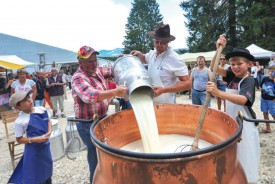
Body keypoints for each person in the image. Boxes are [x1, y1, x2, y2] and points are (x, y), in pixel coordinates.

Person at [207, 35, 260, 183]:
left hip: (245, 123)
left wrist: (218, 93)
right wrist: (218, 49)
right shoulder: (232, 76)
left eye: (239, 64)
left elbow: (243, 99)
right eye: (233, 63)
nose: (236, 67)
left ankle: (248, 179)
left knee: (245, 153)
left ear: (249, 64)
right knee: (235, 151)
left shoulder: (248, 80)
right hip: (233, 120)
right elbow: (214, 66)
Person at [71, 45, 128, 183]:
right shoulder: (78, 78)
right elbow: (89, 96)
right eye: (89, 61)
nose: (93, 64)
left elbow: (112, 71)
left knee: (105, 153)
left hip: (101, 118)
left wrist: (121, 61)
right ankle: (95, 180)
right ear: (81, 62)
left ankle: (107, 178)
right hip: (87, 124)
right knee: (95, 157)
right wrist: (115, 92)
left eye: (95, 60)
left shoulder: (98, 71)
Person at [130, 23, 191, 104]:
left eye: (163, 42)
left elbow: (188, 84)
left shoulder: (175, 59)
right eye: (157, 41)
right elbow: (145, 58)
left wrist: (164, 90)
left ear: (168, 42)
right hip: (150, 99)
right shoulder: (152, 53)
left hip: (166, 102)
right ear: (153, 40)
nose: (159, 45)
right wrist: (140, 54)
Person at [8, 89, 52, 184]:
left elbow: (48, 121)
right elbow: (19, 139)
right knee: (36, 176)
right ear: (18, 106)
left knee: (47, 172)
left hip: (45, 148)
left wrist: (49, 131)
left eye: (28, 97)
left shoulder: (42, 109)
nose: (30, 100)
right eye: (25, 100)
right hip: (33, 151)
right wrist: (34, 139)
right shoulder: (20, 121)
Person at [260, 64, 275, 133]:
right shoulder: (265, 78)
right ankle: (268, 128)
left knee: (273, 114)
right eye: (270, 71)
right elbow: (261, 86)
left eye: (273, 71)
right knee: (265, 113)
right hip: (264, 99)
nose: (271, 73)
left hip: (272, 100)